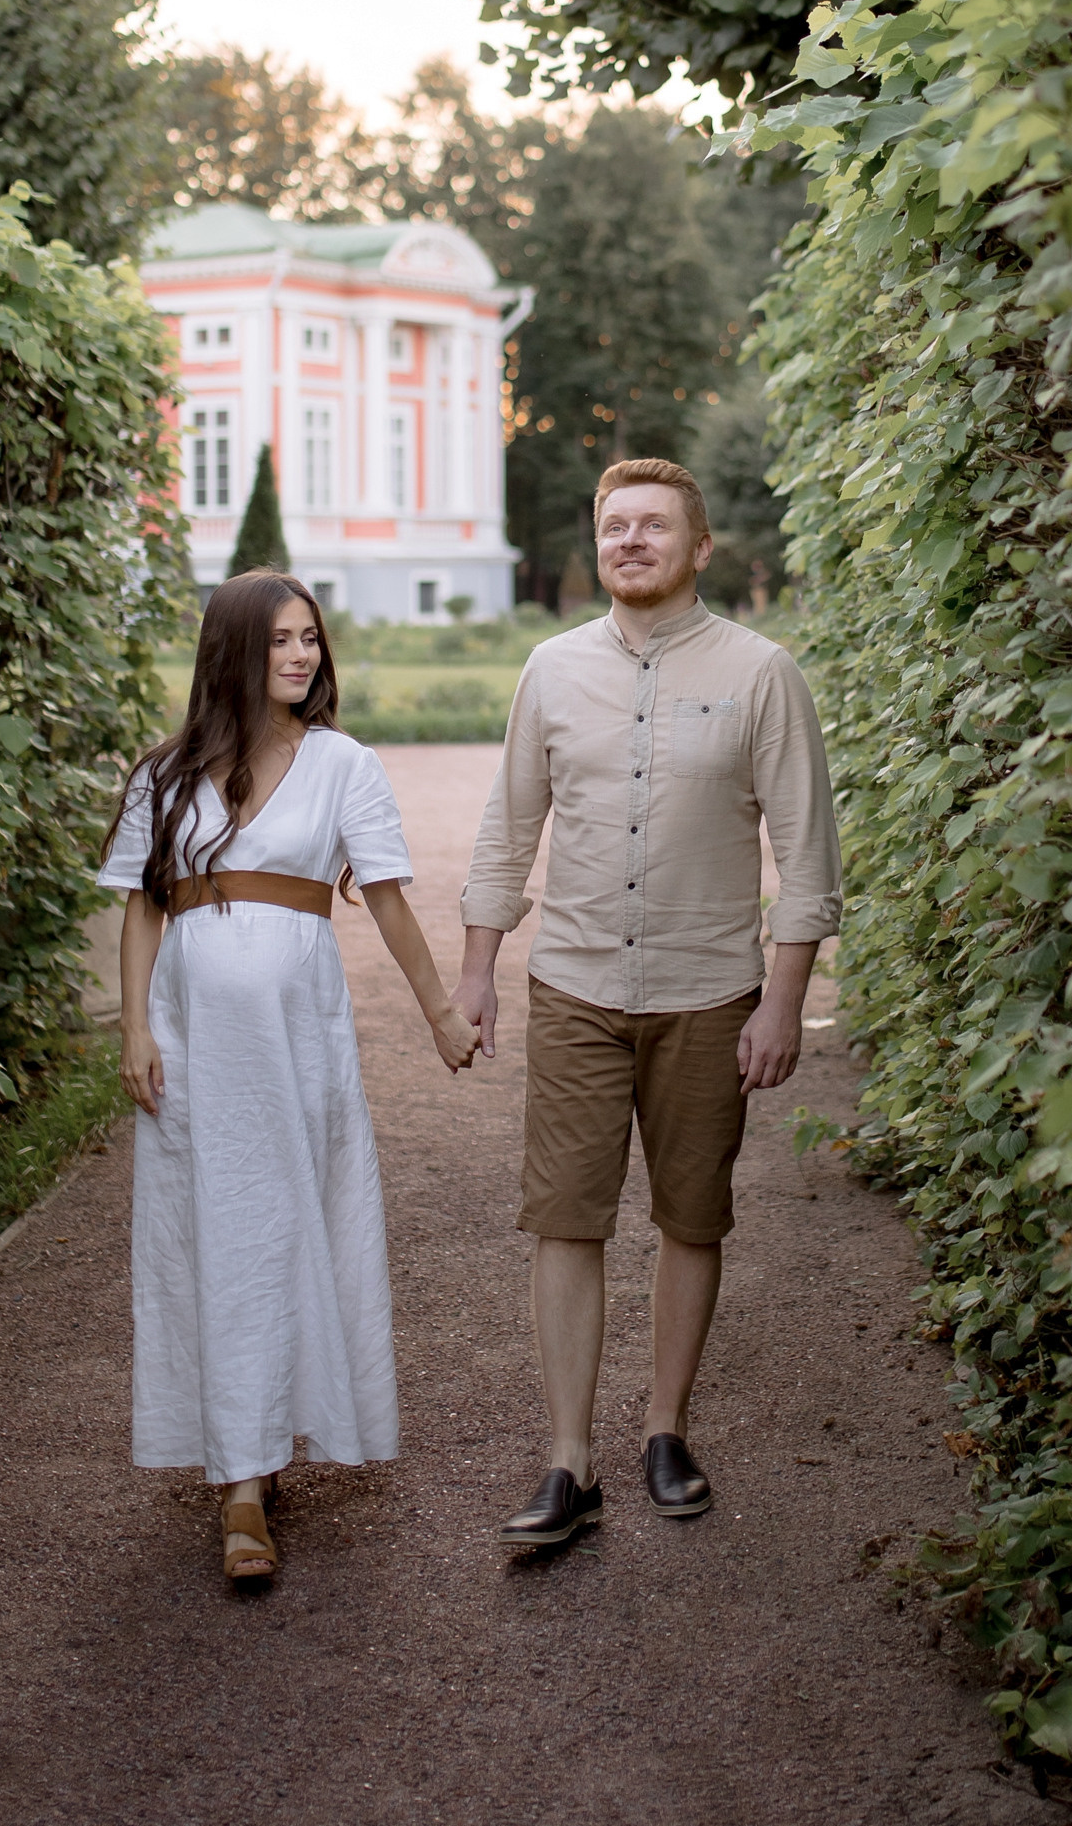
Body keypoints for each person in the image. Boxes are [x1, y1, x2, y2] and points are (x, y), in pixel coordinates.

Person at [456, 458, 841, 1548]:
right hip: (572, 982)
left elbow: (805, 858)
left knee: (690, 1216)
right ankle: (567, 1458)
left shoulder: (763, 673)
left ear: (698, 547)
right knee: (563, 1218)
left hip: (707, 991)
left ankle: (665, 1430)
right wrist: (479, 970)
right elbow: (505, 829)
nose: (630, 540)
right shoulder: (549, 669)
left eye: (653, 526)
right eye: (614, 525)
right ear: (599, 542)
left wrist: (780, 1002)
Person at [101, 569, 478, 1585]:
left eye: (310, 638)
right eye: (279, 641)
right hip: (192, 1047)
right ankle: (237, 1485)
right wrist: (134, 1026)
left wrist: (440, 1012)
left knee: (287, 1231)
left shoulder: (343, 765)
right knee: (212, 1238)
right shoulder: (164, 774)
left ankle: (274, 1440)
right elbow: (144, 907)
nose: (302, 656)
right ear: (233, 650)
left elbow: (390, 901)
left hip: (297, 1043)